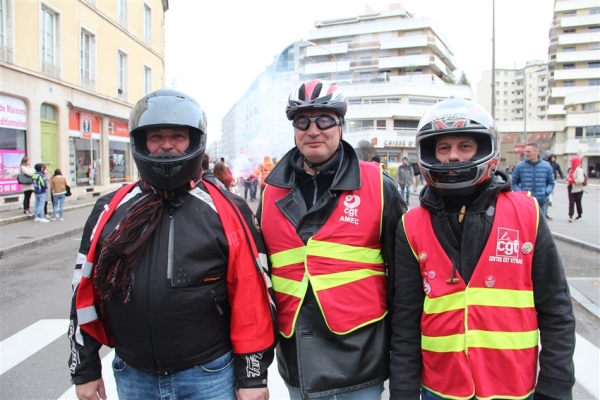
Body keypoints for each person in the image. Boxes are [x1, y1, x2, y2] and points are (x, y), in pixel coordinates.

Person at [67, 89, 277, 400]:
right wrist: (84, 370)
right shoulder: (110, 209)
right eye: (156, 136)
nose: (167, 145)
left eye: (177, 136)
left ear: (194, 141)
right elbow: (83, 291)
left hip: (209, 376)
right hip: (133, 377)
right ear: (142, 142)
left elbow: (252, 294)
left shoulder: (228, 209)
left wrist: (253, 376)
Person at [390, 97, 575, 400]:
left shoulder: (526, 214)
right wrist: (402, 391)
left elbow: (557, 308)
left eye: (465, 146)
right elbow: (405, 320)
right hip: (441, 387)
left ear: (485, 149)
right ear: (430, 153)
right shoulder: (411, 224)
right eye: (443, 148)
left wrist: (555, 384)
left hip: (512, 386)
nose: (452, 157)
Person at [257, 79, 405, 399]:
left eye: (324, 119)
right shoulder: (269, 193)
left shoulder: (379, 186)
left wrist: (403, 365)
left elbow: (404, 285)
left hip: (360, 363)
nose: (313, 130)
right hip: (297, 365)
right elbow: (258, 283)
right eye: (302, 121)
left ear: (341, 126)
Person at [512, 142, 555, 220]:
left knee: (541, 229)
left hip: (541, 203)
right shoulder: (520, 166)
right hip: (525, 203)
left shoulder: (546, 166)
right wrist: (521, 193)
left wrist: (545, 192)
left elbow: (551, 183)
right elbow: (514, 183)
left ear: (536, 152)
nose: (526, 154)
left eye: (529, 152)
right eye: (525, 151)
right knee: (526, 227)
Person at [566, 155, 585, 222]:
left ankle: (579, 214)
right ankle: (570, 215)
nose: (571, 163)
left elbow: (580, 180)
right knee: (571, 202)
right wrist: (567, 179)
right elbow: (568, 177)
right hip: (571, 187)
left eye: (572, 162)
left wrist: (572, 180)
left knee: (578, 202)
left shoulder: (579, 170)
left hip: (578, 189)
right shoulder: (571, 170)